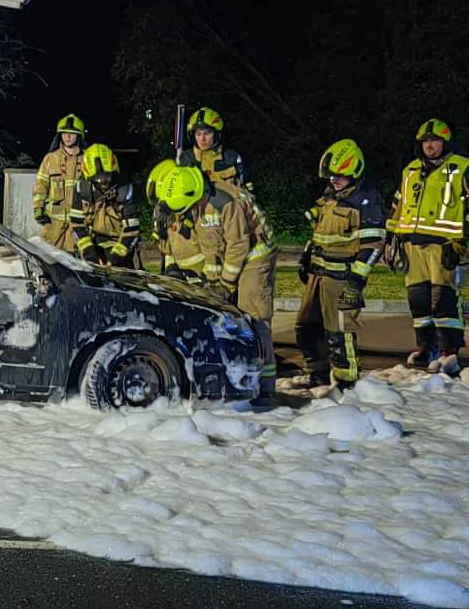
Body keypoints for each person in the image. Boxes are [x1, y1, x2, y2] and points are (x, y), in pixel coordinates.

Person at [155, 164, 278, 400]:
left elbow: (239, 246)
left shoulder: (225, 204)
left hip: (256, 254)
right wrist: (213, 283)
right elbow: (213, 248)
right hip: (234, 252)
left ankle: (265, 387)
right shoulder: (199, 201)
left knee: (255, 317)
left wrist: (226, 285)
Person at [387, 119, 469, 375]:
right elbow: (397, 206)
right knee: (419, 302)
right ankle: (426, 348)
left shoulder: (463, 167)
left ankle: (449, 352)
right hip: (411, 245)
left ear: (445, 142)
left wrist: (464, 232)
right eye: (425, 141)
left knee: (444, 301)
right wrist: (391, 238)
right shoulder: (411, 169)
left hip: (443, 246)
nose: (430, 146)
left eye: (434, 141)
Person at [286, 138, 387, 394]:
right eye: (331, 176)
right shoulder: (331, 196)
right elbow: (320, 232)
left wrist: (356, 281)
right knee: (306, 328)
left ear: (354, 173)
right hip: (318, 276)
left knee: (340, 333)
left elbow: (374, 245)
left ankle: (347, 384)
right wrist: (306, 258)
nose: (333, 180)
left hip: (342, 278)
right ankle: (317, 374)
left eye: (339, 176)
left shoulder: (367, 201)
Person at [70, 143, 140, 266]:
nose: (103, 181)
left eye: (108, 176)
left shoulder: (125, 189)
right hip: (93, 242)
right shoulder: (82, 188)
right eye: (98, 178)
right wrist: (90, 253)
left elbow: (132, 231)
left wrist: (115, 259)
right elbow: (77, 225)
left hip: (119, 242)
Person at [32, 113, 87, 251]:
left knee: (78, 262)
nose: (67, 137)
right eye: (64, 133)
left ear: (79, 136)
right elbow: (41, 186)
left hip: (80, 223)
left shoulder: (88, 159)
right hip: (54, 223)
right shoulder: (50, 159)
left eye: (71, 133)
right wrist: (38, 208)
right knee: (48, 258)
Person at [177, 106, 248, 190]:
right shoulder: (185, 159)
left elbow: (246, 190)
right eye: (198, 134)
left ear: (217, 134)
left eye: (207, 133)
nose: (202, 139)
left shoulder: (231, 157)